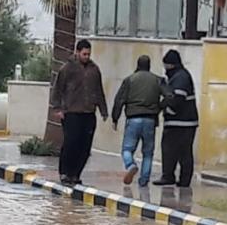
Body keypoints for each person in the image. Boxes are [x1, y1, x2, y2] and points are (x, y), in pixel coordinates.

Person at [50, 39, 108, 186]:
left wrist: (103, 110)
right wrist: (57, 108)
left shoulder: (94, 69)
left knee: (85, 146)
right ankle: (65, 172)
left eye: (88, 54)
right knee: (71, 143)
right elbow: (58, 89)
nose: (86, 57)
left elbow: (99, 90)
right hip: (71, 112)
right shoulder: (67, 69)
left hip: (88, 113)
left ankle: (76, 174)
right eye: (84, 54)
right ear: (77, 52)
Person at [111, 55, 164, 187]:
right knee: (148, 153)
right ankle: (144, 180)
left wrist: (115, 118)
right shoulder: (157, 80)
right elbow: (169, 95)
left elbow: (119, 100)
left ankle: (130, 165)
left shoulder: (129, 80)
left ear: (137, 65)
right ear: (149, 65)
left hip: (133, 119)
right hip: (150, 120)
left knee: (127, 149)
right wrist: (158, 108)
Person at [153, 50, 199, 188]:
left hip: (181, 122)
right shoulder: (180, 75)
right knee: (175, 151)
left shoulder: (180, 77)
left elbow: (177, 98)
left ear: (170, 65)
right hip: (183, 122)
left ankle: (176, 178)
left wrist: (164, 108)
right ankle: (174, 177)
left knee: (178, 151)